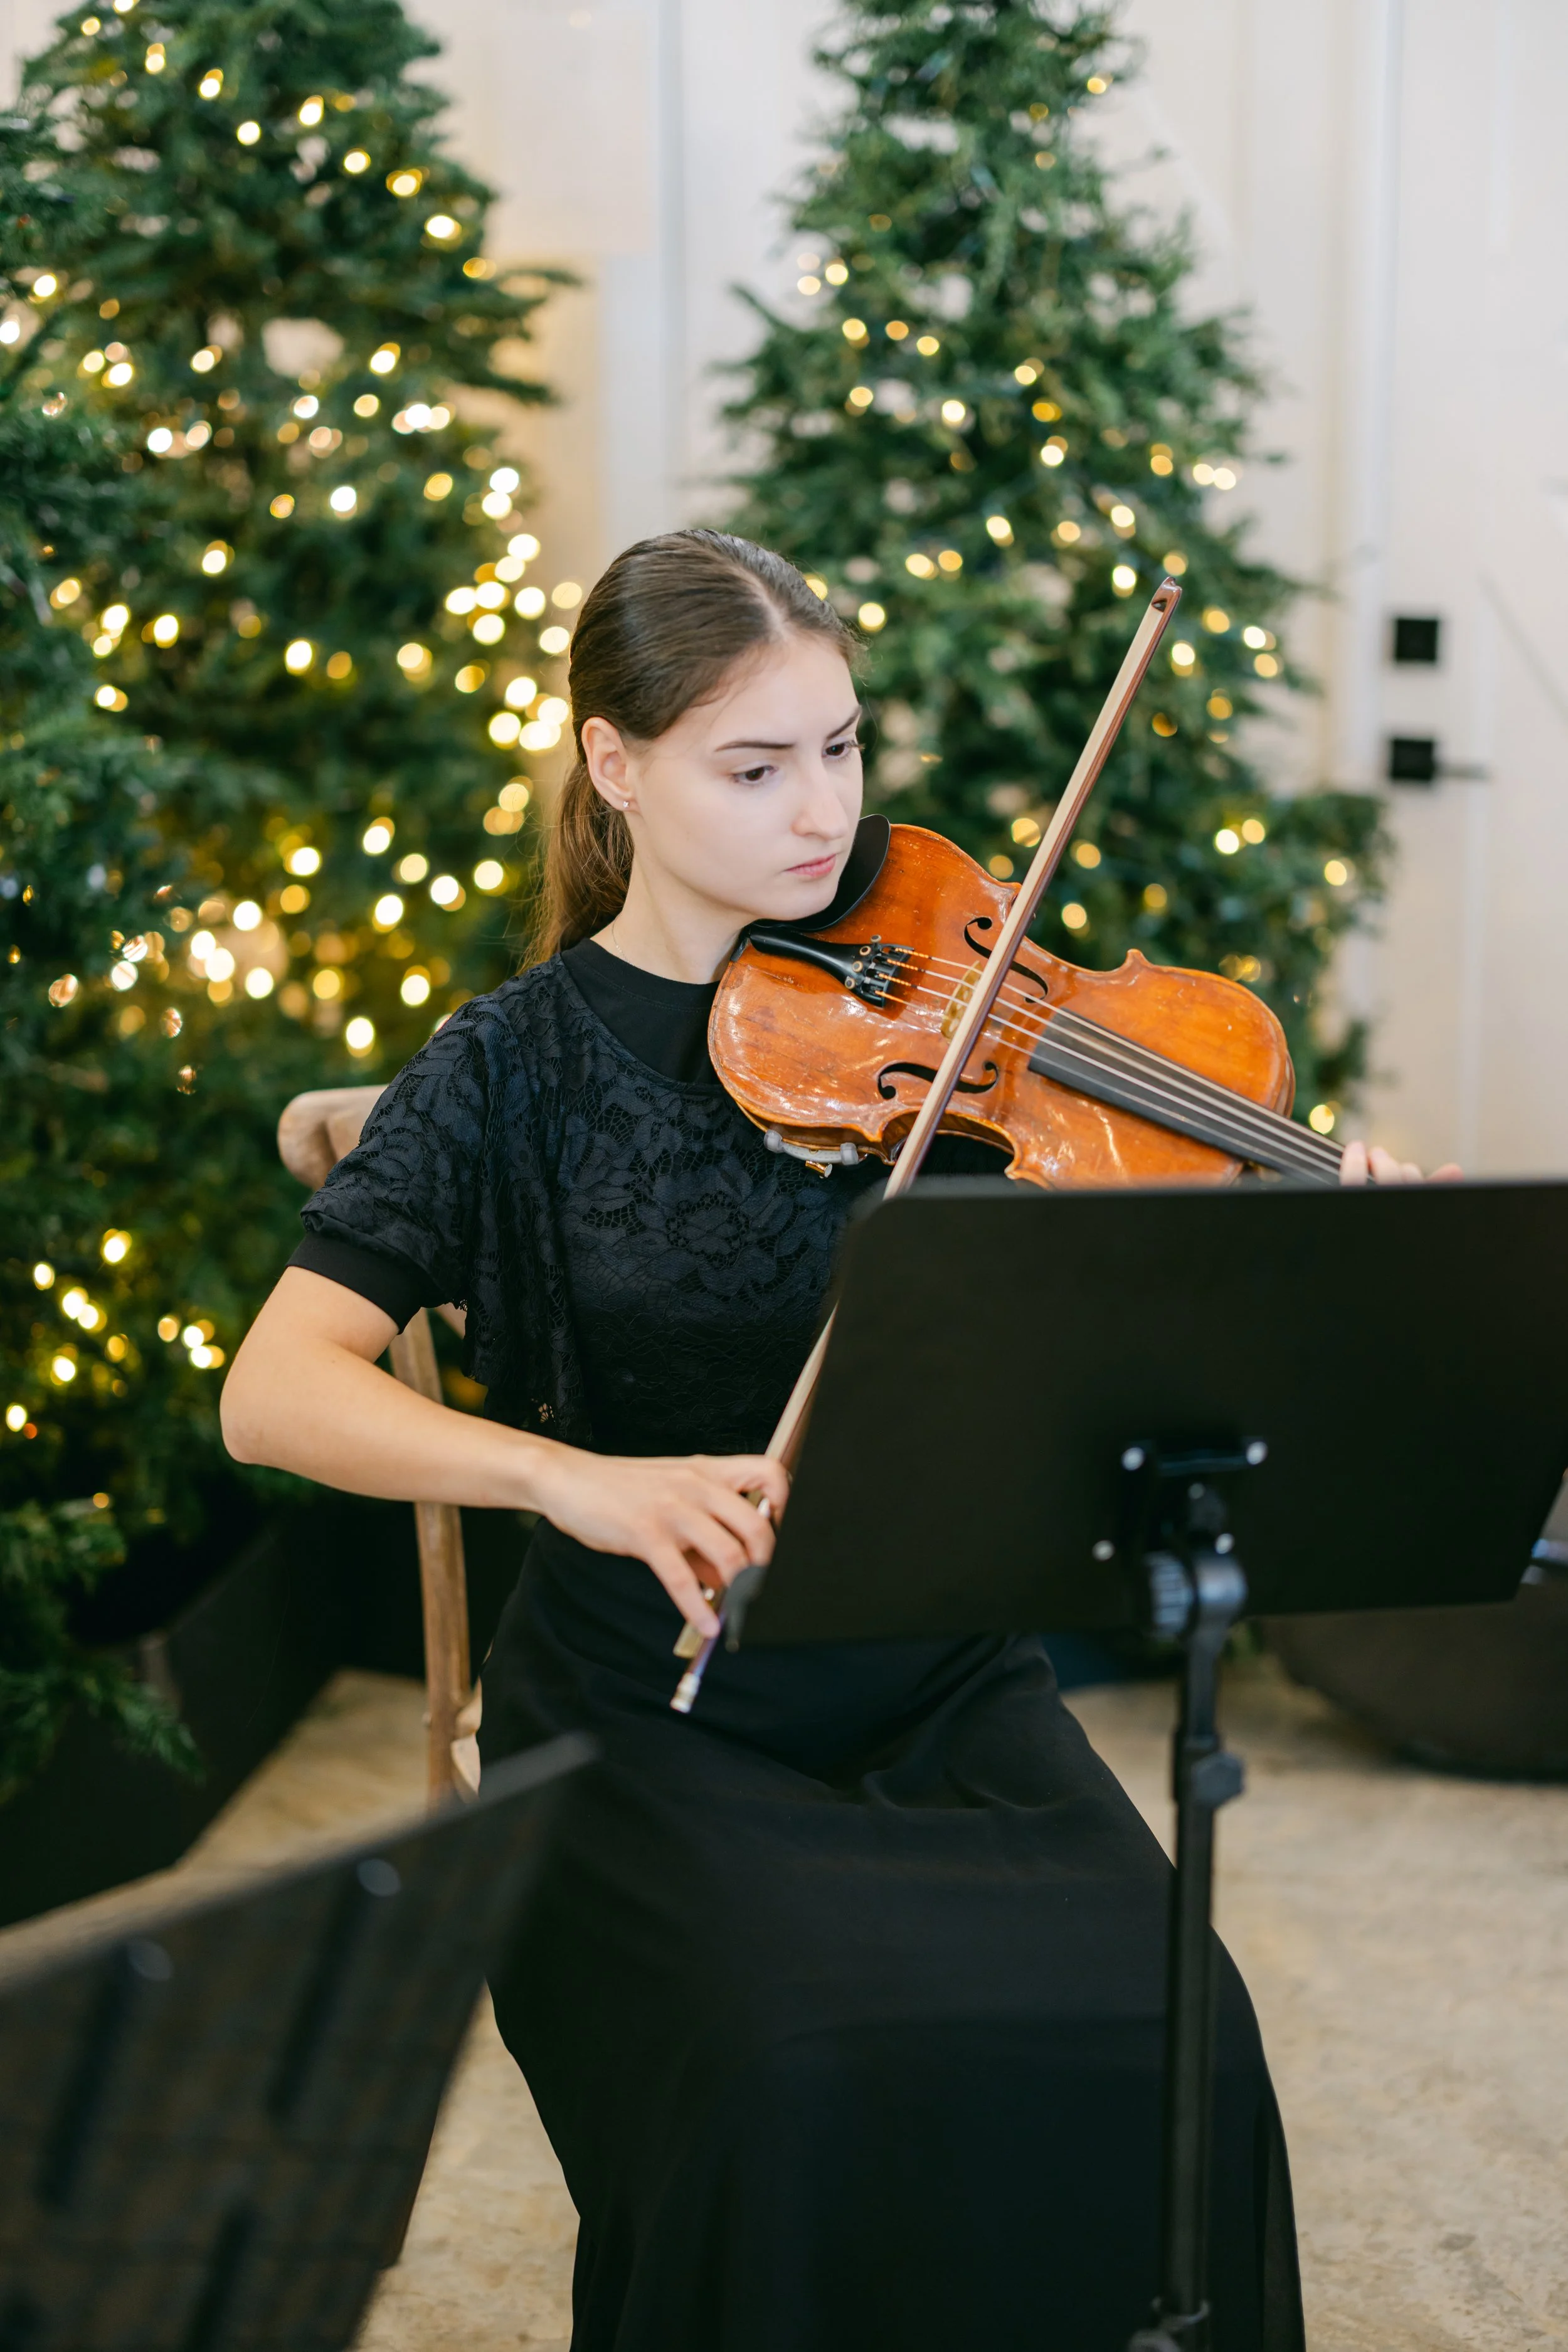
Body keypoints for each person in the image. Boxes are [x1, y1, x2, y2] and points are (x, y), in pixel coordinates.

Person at [225, 529, 1431, 2349]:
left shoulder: (960, 1022)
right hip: (650, 1693)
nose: (822, 812)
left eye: (843, 749)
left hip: (933, 1665)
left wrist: (1314, 1216)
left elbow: (1126, 1306)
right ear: (613, 768)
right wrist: (573, 1478)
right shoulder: (511, 1066)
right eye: (755, 763)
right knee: (784, 2063)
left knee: (1180, 2028)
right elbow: (276, 1384)